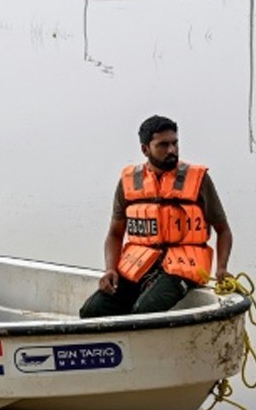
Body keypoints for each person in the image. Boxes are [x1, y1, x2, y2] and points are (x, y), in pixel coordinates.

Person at [79, 115, 234, 318]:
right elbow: (115, 234)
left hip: (183, 266)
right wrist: (110, 269)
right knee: (92, 311)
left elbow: (223, 230)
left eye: (175, 143)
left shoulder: (198, 180)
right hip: (140, 263)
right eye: (163, 145)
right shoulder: (129, 182)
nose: (172, 150)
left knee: (145, 311)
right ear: (145, 149)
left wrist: (221, 268)